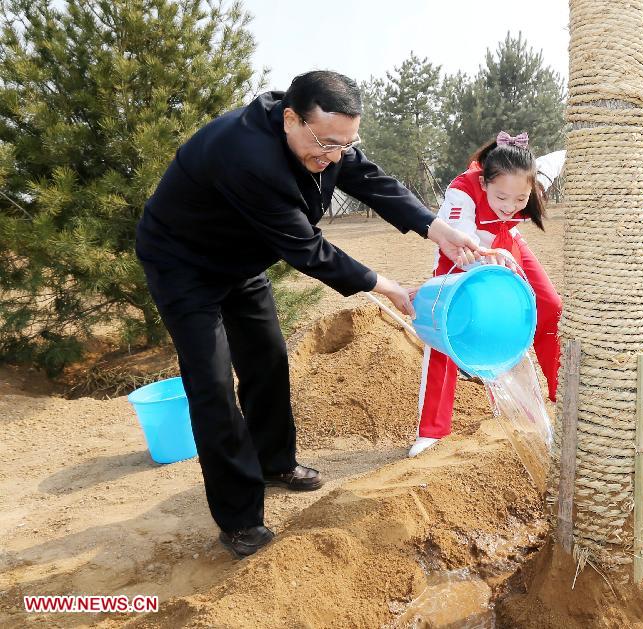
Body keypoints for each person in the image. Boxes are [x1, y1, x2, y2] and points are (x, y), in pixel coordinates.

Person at [135, 71, 481, 557]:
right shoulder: (244, 154)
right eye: (324, 143)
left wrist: (435, 228)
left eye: (345, 143)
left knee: (268, 360)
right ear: (290, 118)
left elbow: (372, 180)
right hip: (184, 265)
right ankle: (238, 519)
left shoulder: (326, 139)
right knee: (212, 385)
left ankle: (276, 463)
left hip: (242, 259)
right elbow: (308, 250)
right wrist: (386, 287)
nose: (334, 156)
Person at [410, 132, 565, 457]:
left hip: (505, 245)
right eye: (502, 198)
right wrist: (484, 258)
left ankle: (559, 390)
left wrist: (580, 148)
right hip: (461, 252)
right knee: (446, 328)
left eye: (520, 200)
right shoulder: (462, 192)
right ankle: (432, 430)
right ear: (484, 183)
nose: (511, 206)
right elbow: (460, 238)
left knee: (549, 306)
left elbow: (556, 160)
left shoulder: (530, 185)